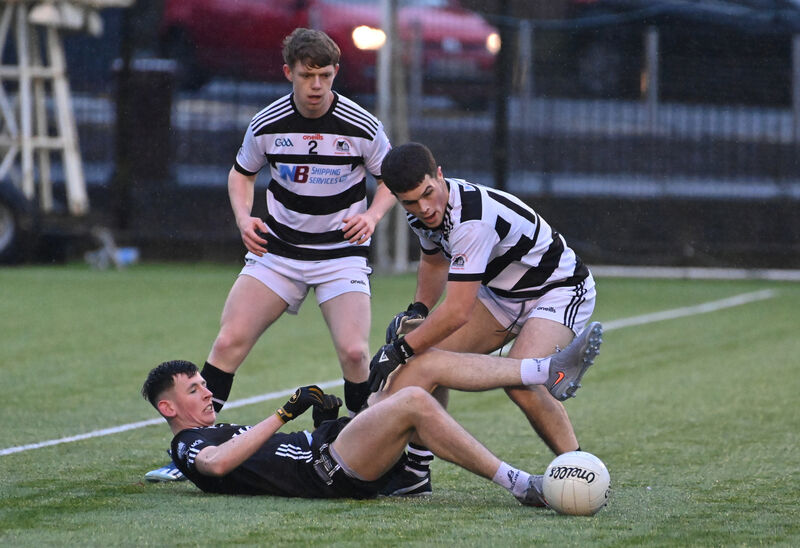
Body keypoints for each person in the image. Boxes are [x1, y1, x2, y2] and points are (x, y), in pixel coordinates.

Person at [145, 28, 396, 481]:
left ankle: (366, 450)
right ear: (288, 73)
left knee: (356, 352)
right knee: (228, 342)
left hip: (340, 255)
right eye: (307, 75)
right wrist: (244, 219)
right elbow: (241, 173)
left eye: (325, 75)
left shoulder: (362, 125)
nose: (316, 85)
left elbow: (392, 180)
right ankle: (196, 446)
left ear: (336, 73)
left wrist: (373, 216)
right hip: (278, 253)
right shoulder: (268, 122)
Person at [368, 142, 600, 496]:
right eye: (410, 202)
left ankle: (582, 473)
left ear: (439, 175)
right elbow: (434, 261)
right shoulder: (421, 214)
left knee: (520, 382)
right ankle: (415, 472)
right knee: (424, 359)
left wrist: (398, 349)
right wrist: (419, 311)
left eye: (428, 193)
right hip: (501, 296)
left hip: (558, 290)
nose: (424, 208)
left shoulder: (471, 220)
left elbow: (457, 312)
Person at [141, 324, 600, 501]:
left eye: (204, 384)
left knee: (425, 363)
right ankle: (521, 485)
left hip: (332, 448)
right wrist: (284, 414)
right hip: (329, 471)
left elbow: (272, 459)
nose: (207, 392)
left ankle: (546, 370)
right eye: (194, 389)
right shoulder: (188, 445)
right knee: (414, 401)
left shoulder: (217, 427)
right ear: (168, 407)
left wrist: (323, 421)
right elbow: (217, 465)